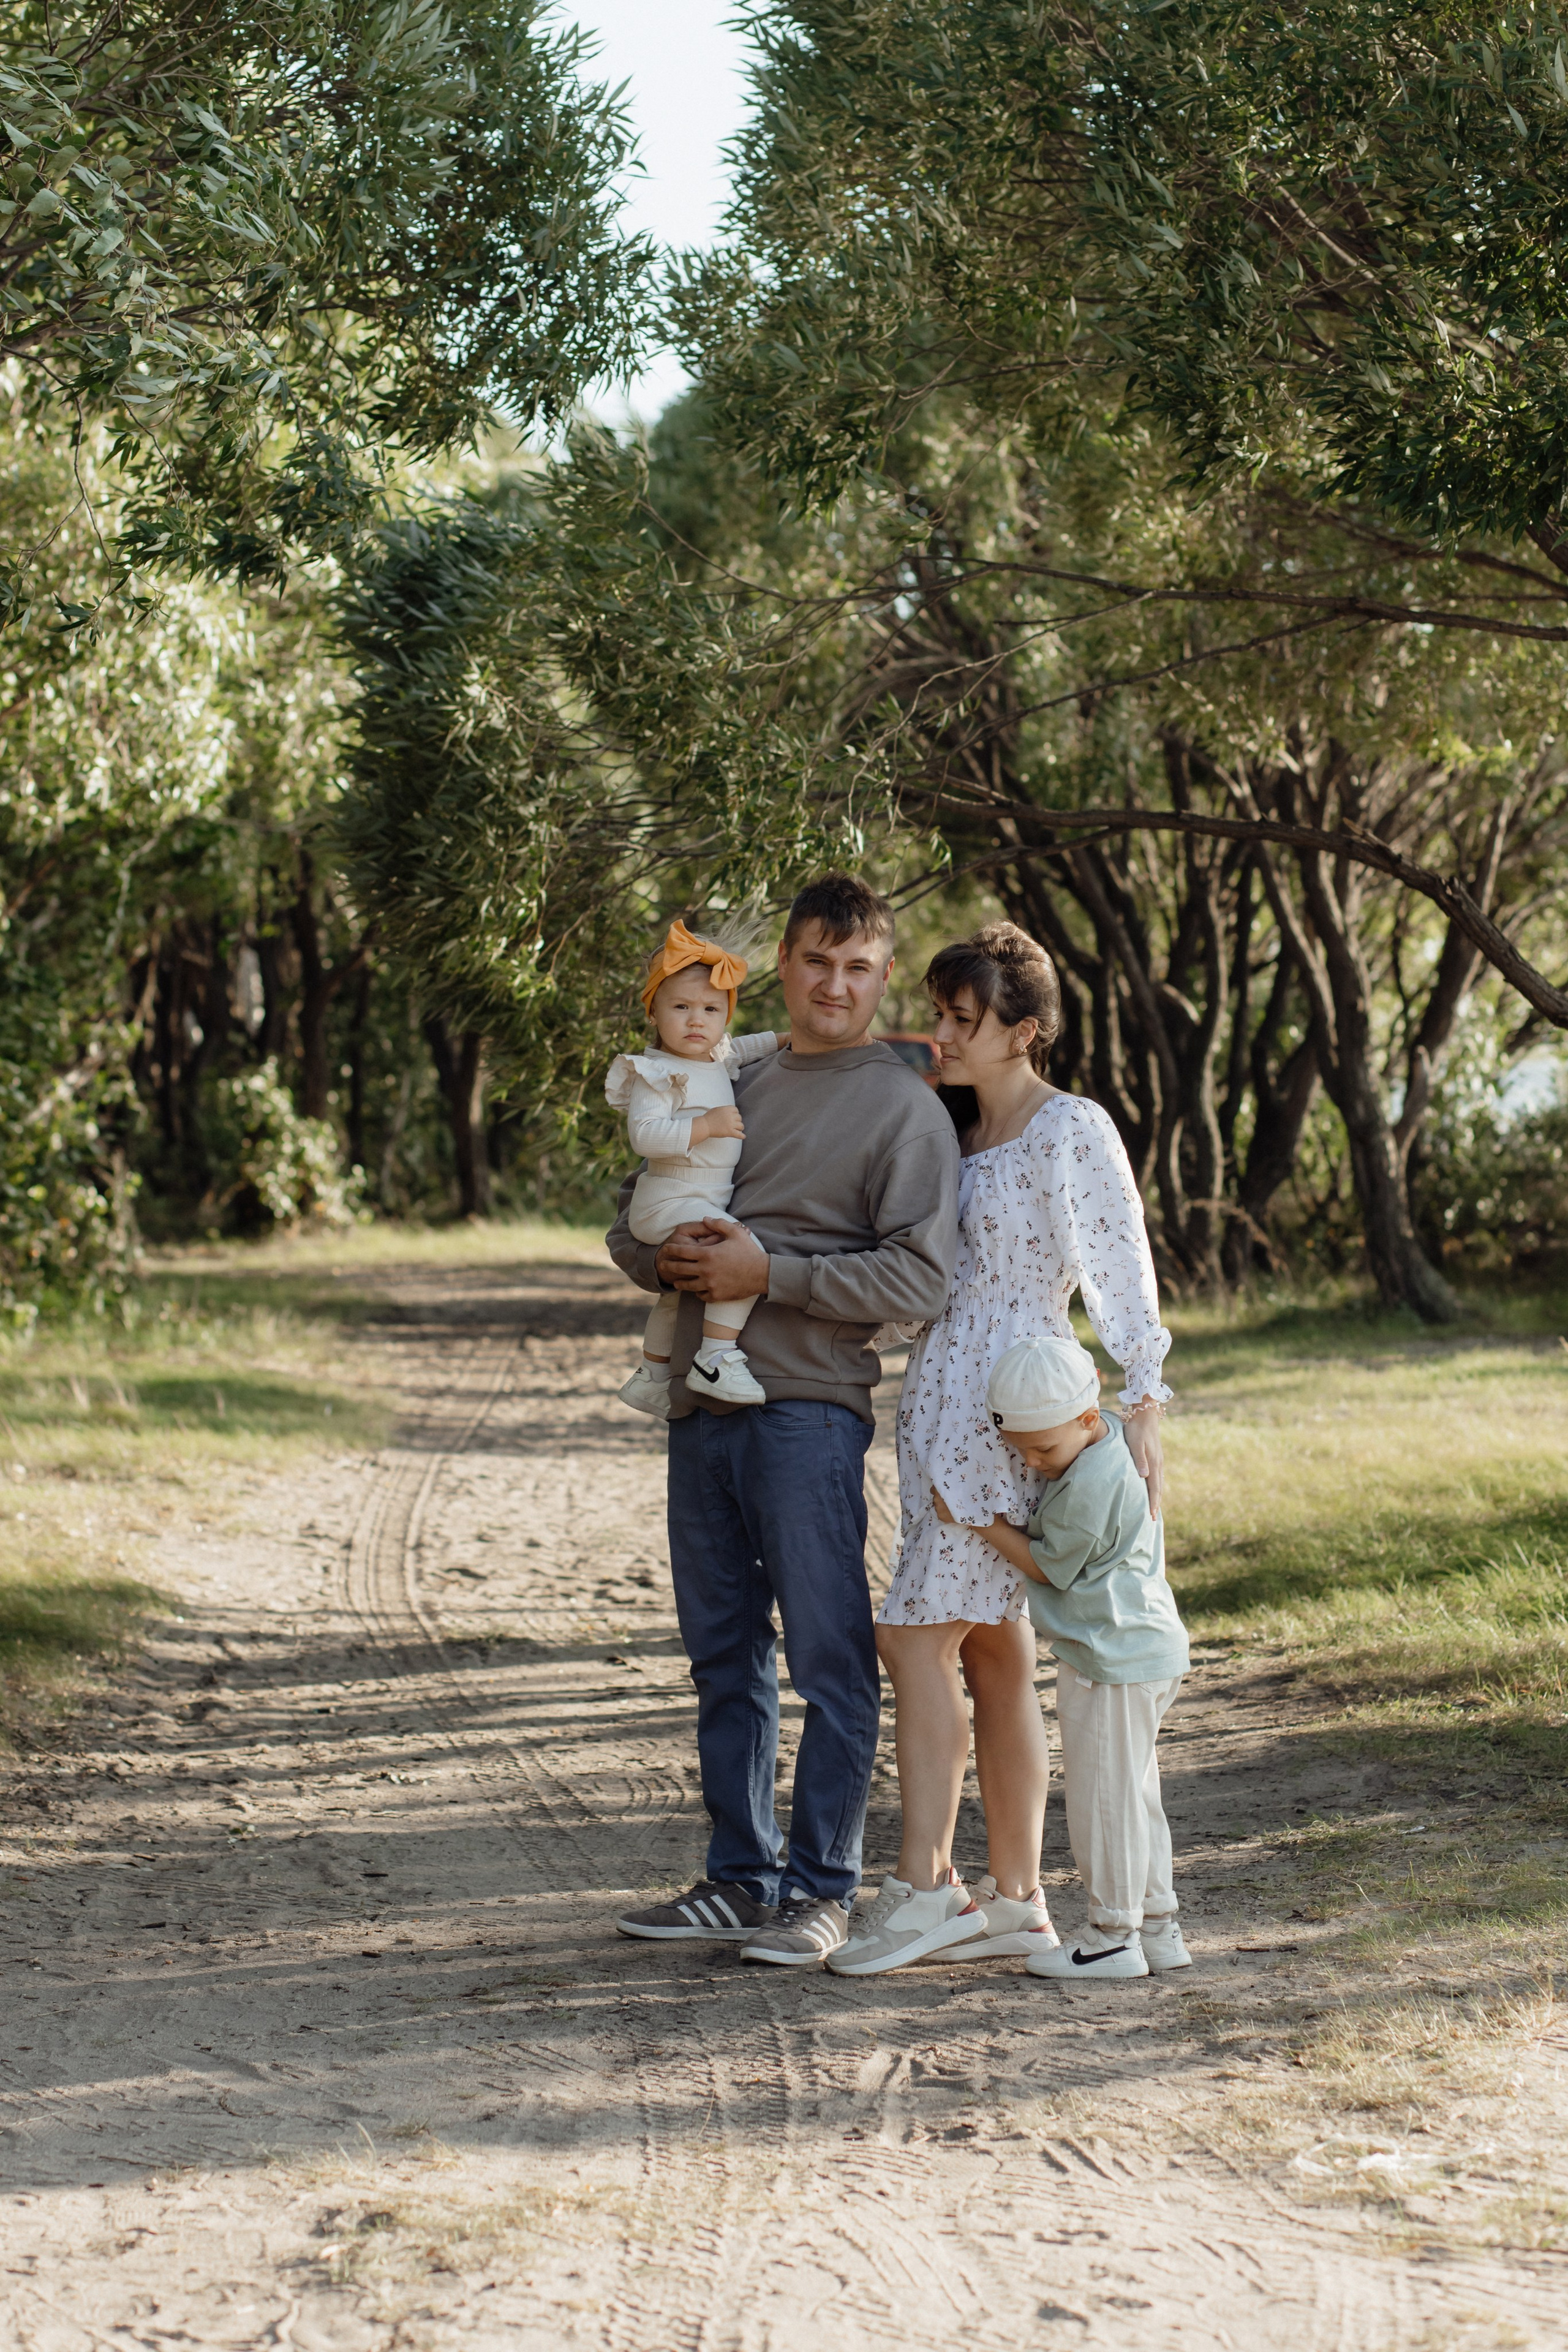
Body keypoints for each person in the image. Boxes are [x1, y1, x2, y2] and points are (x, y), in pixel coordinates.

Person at [606, 875, 960, 1966]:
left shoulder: (903, 1105)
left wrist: (779, 1271)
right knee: (722, 1653)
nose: (835, 985)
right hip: (699, 1404)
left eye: (858, 968)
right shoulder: (728, 1068)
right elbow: (635, 1215)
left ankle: (819, 1891)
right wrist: (654, 1258)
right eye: (816, 961)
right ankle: (737, 1876)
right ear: (787, 965)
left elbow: (920, 1276)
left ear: (883, 976)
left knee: (826, 1653)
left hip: (808, 1411)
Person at [827, 922, 1171, 1980]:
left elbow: (1120, 1260)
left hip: (1014, 1405)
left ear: (1027, 1032)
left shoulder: (1074, 1128)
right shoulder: (948, 1129)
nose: (941, 1035)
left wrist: (1144, 1399)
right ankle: (1019, 1899)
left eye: (963, 1020)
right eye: (937, 1013)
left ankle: (926, 1888)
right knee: (990, 1647)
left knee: (915, 1635)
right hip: (939, 1392)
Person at [949, 1333, 1189, 1980]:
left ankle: (1113, 1935)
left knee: (1103, 1801)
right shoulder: (1104, 1443)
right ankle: (1159, 1927)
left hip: (1111, 1656)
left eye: (1043, 1448)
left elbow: (1047, 1568)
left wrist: (980, 1522)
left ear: (1086, 1418)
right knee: (1136, 1796)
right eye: (1020, 1450)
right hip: (1140, 1648)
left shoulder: (1091, 1484)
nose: (1032, 1462)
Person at [605, 918, 782, 1414]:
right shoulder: (657, 1072)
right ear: (655, 1012)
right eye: (680, 1008)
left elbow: (747, 1047)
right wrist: (706, 1125)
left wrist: (787, 1038)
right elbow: (645, 1136)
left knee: (678, 1296)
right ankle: (716, 1356)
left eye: (710, 1009)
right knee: (739, 1253)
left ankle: (652, 1373)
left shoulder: (716, 1055)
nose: (695, 1021)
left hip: (698, 1196)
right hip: (668, 1198)